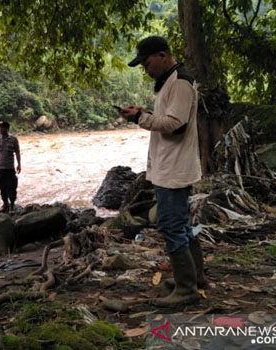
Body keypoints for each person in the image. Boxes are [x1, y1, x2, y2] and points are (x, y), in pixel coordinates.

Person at [121, 36, 207, 306]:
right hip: (168, 166)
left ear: (162, 56)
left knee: (171, 226)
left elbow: (175, 124)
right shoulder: (170, 81)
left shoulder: (180, 82)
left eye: (147, 63)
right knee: (181, 224)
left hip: (173, 169)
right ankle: (195, 279)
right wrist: (144, 112)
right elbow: (169, 116)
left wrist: (140, 118)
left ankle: (186, 289)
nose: (146, 70)